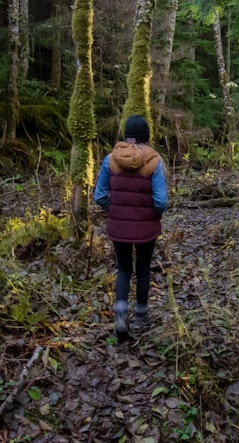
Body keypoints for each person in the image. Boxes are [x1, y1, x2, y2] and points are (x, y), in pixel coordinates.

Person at [93, 114, 167, 342]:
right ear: (146, 137)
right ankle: (141, 317)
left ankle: (120, 315)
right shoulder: (154, 161)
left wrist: (112, 208)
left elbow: (99, 196)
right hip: (146, 228)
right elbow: (161, 200)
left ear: (127, 135)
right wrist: (153, 214)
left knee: (124, 268)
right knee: (143, 269)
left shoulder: (110, 160)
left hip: (118, 225)